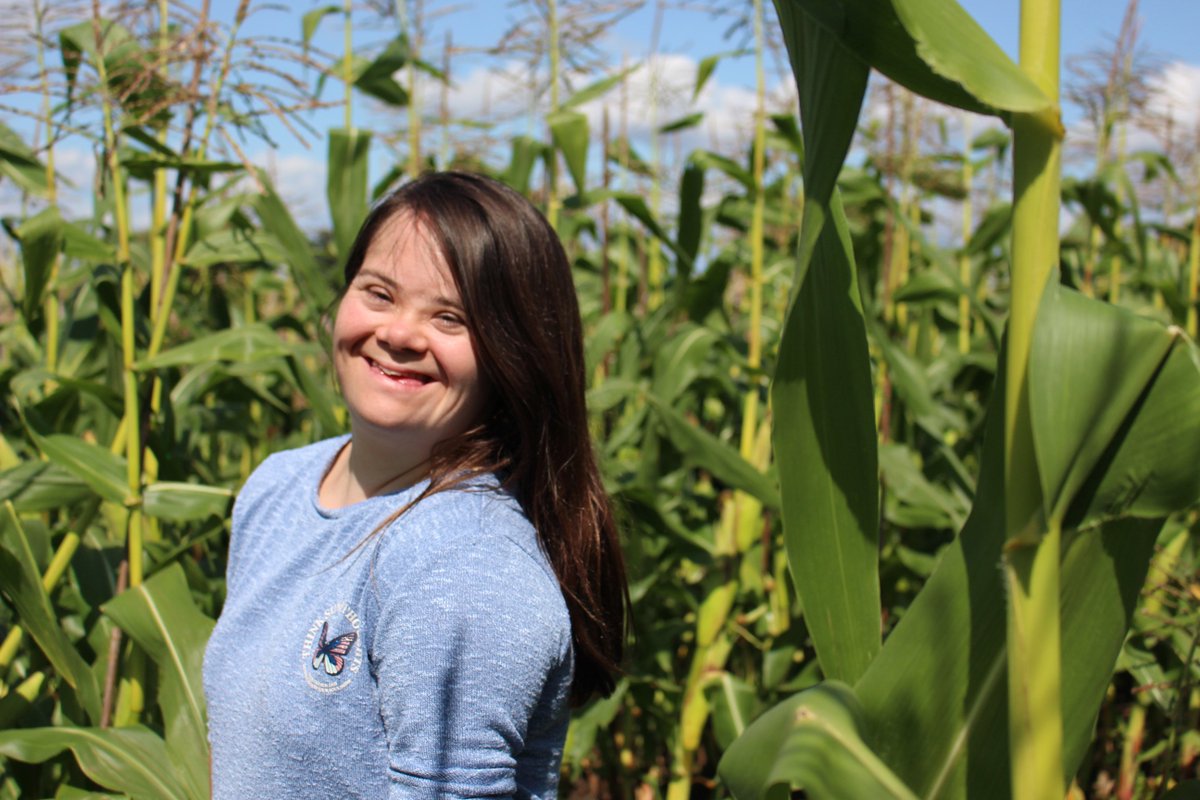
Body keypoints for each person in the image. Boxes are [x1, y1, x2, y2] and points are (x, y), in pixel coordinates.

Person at [203, 171, 628, 799]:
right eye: (379, 293)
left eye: (450, 317)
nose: (399, 334)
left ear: (514, 354)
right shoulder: (277, 488)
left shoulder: (464, 563)